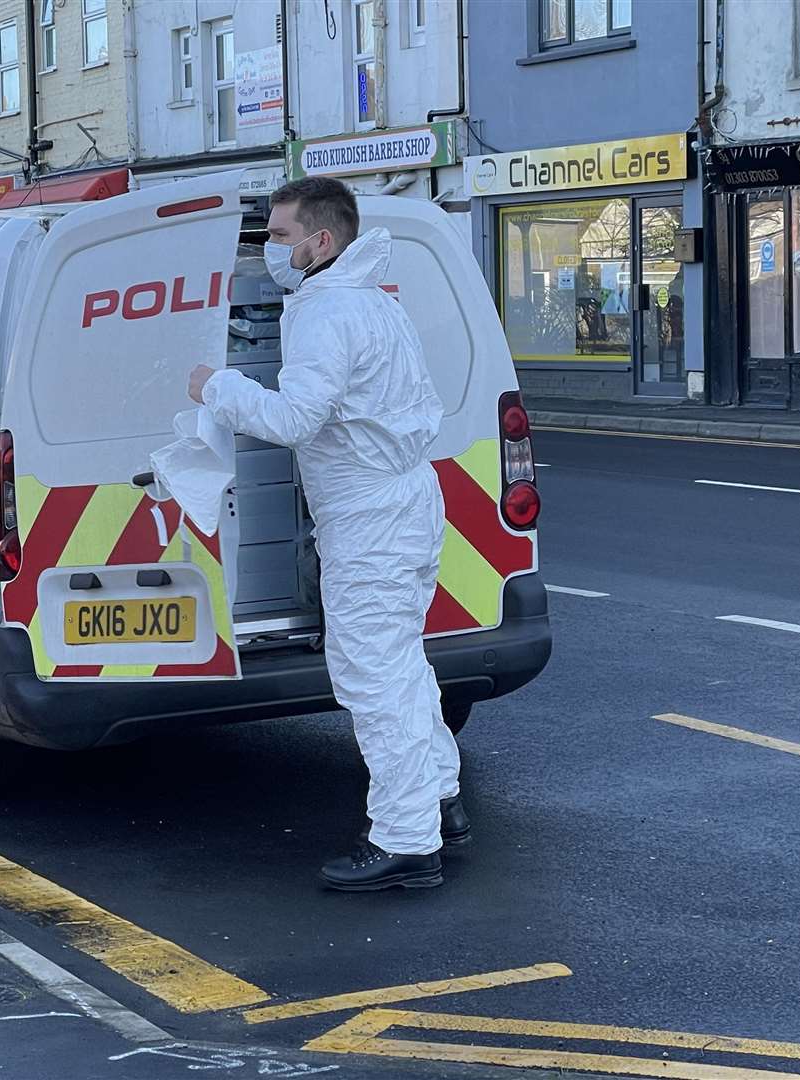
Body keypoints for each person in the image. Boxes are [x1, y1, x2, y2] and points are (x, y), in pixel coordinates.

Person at [187, 177, 468, 891]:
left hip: (370, 517)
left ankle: (407, 842)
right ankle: (438, 797)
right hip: (405, 500)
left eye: (279, 237)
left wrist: (214, 386)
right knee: (402, 663)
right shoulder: (374, 301)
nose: (270, 250)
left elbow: (292, 421)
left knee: (373, 678)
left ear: (322, 241)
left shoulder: (325, 312)